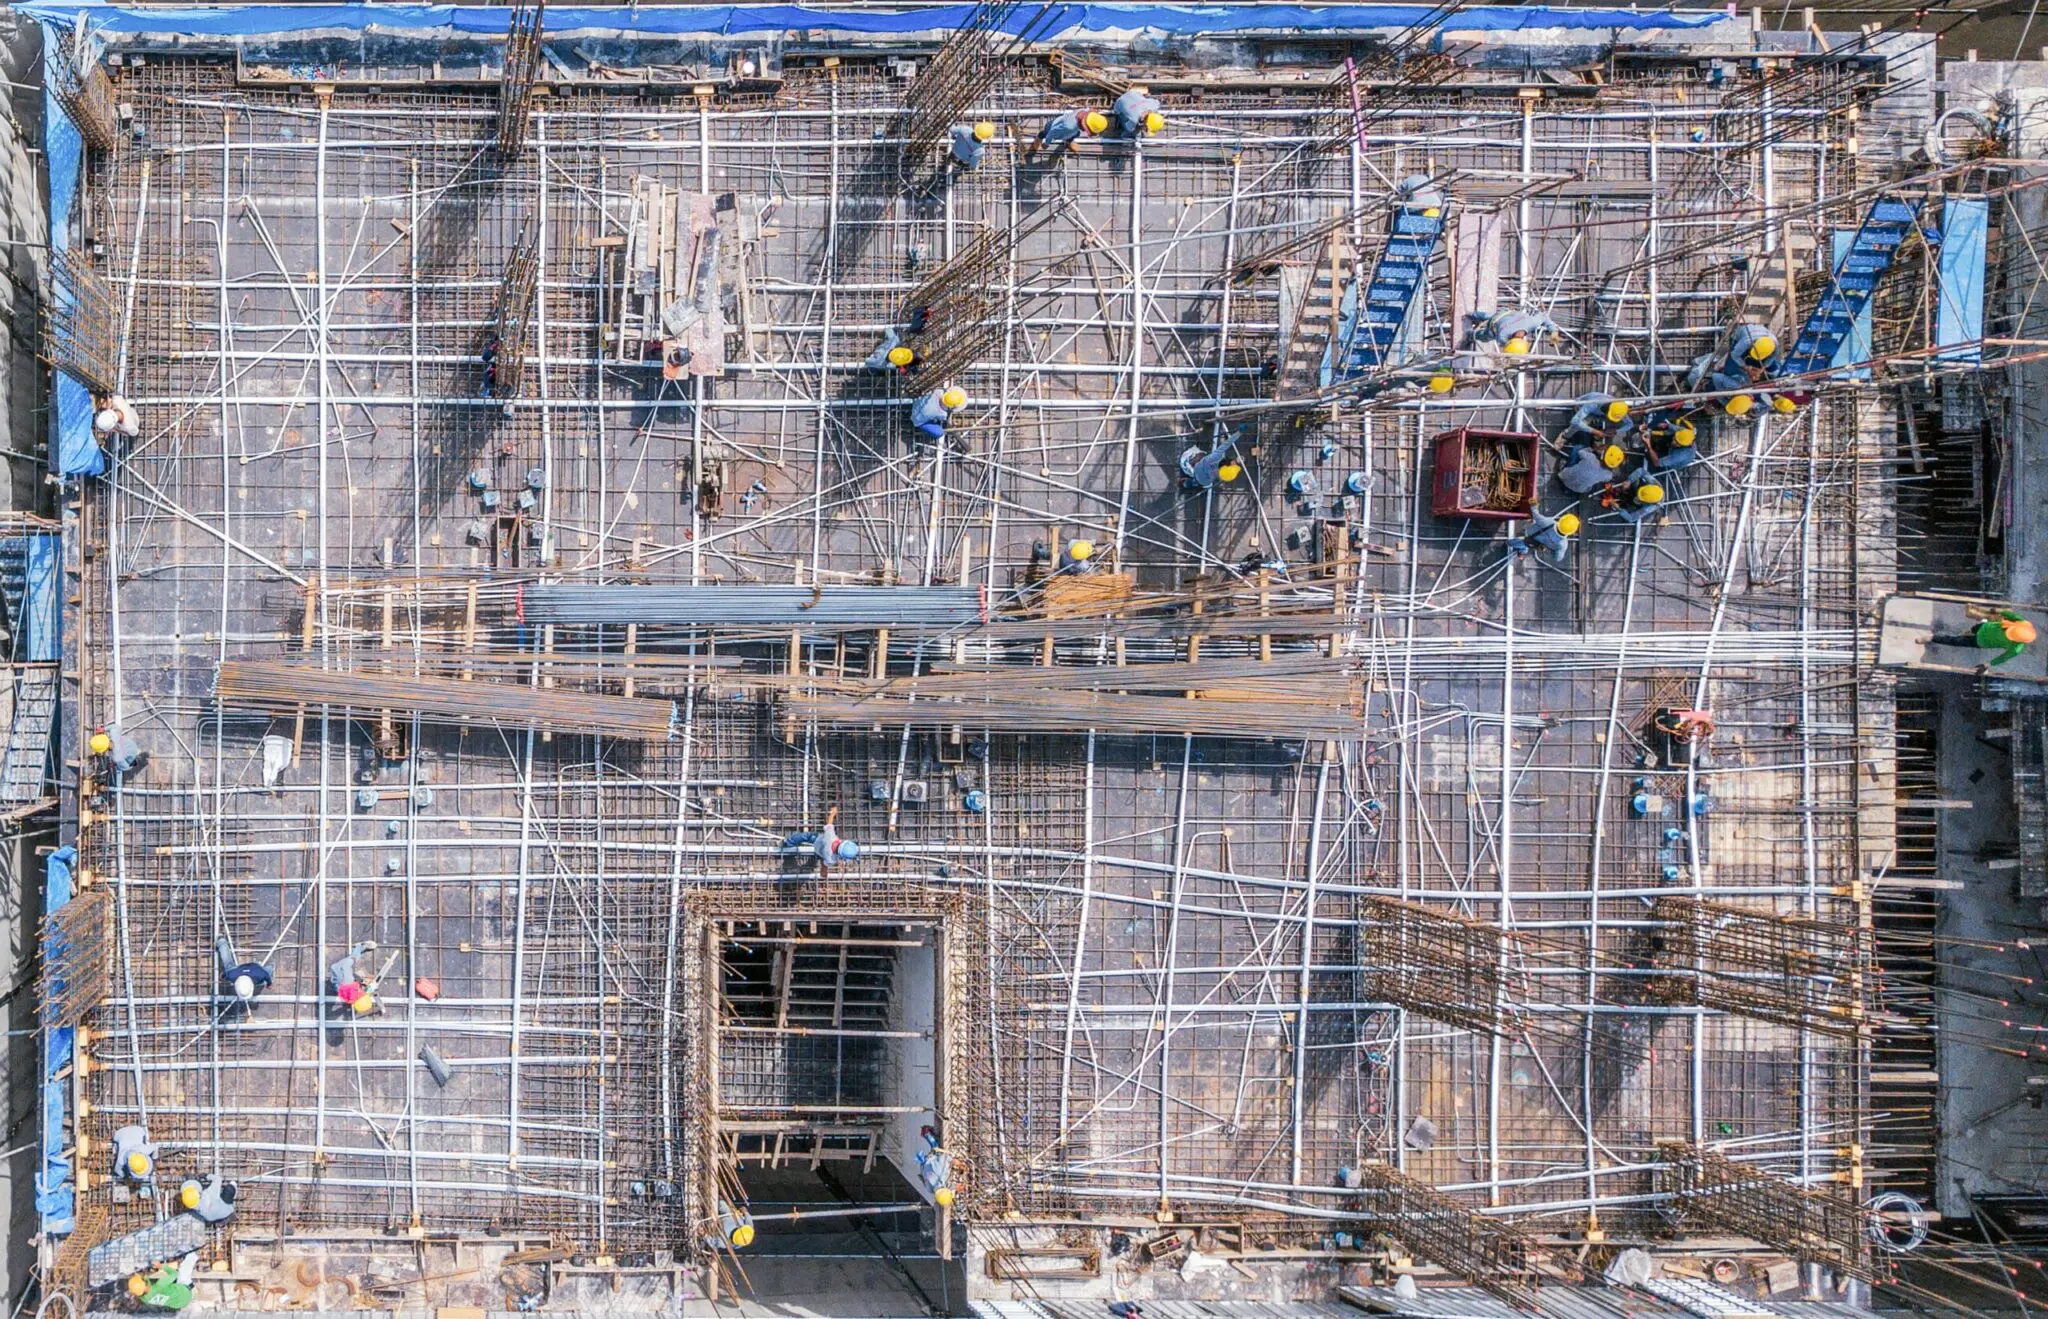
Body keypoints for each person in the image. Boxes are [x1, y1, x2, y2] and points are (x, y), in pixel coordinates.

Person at [1932, 610, 2036, 667]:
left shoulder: (2016, 648)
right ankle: (1963, 633)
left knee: (1956, 641)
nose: (2006, 632)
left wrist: (1988, 664)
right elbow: (2005, 612)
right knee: (1970, 630)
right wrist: (1992, 611)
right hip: (1984, 627)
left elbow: (2004, 657)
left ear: (2018, 641)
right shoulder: (2021, 622)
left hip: (1980, 642)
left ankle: (1933, 638)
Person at [784, 805, 860, 873]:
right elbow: (824, 866)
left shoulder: (830, 837)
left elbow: (829, 823)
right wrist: (824, 873)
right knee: (820, 855)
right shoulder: (831, 860)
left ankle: (788, 842)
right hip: (820, 852)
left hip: (816, 839)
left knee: (804, 836)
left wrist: (833, 813)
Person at [1559, 391, 1634, 447]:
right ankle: (1565, 436)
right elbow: (1574, 421)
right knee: (1578, 425)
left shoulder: (1618, 407)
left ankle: (1602, 431)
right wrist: (1596, 432)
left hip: (1600, 414)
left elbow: (1630, 424)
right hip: (1590, 411)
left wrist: (1615, 431)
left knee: (1621, 424)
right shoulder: (1593, 404)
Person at [1508, 509, 1580, 562]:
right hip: (1536, 544)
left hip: (1529, 534)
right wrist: (1552, 549)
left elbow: (1535, 514)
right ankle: (1522, 551)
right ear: (1570, 532)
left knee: (1518, 543)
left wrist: (1533, 504)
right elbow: (1557, 558)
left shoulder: (1548, 522)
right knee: (1526, 544)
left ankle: (1510, 544)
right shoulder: (1562, 544)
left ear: (1561, 520)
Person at [1556, 442, 1625, 496]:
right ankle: (1570, 491)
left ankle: (1563, 465)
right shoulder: (1608, 475)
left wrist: (1596, 448)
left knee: (1578, 448)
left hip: (1563, 476)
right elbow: (1609, 475)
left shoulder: (1591, 458)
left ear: (1604, 454)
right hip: (1577, 489)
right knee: (1590, 486)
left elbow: (1581, 452)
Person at [1036, 108, 1107, 155]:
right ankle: (1038, 139)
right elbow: (1052, 132)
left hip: (1072, 131)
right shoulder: (1069, 126)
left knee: (1075, 134)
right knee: (1045, 133)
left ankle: (1068, 142)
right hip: (1054, 128)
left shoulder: (1085, 111)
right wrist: (1047, 143)